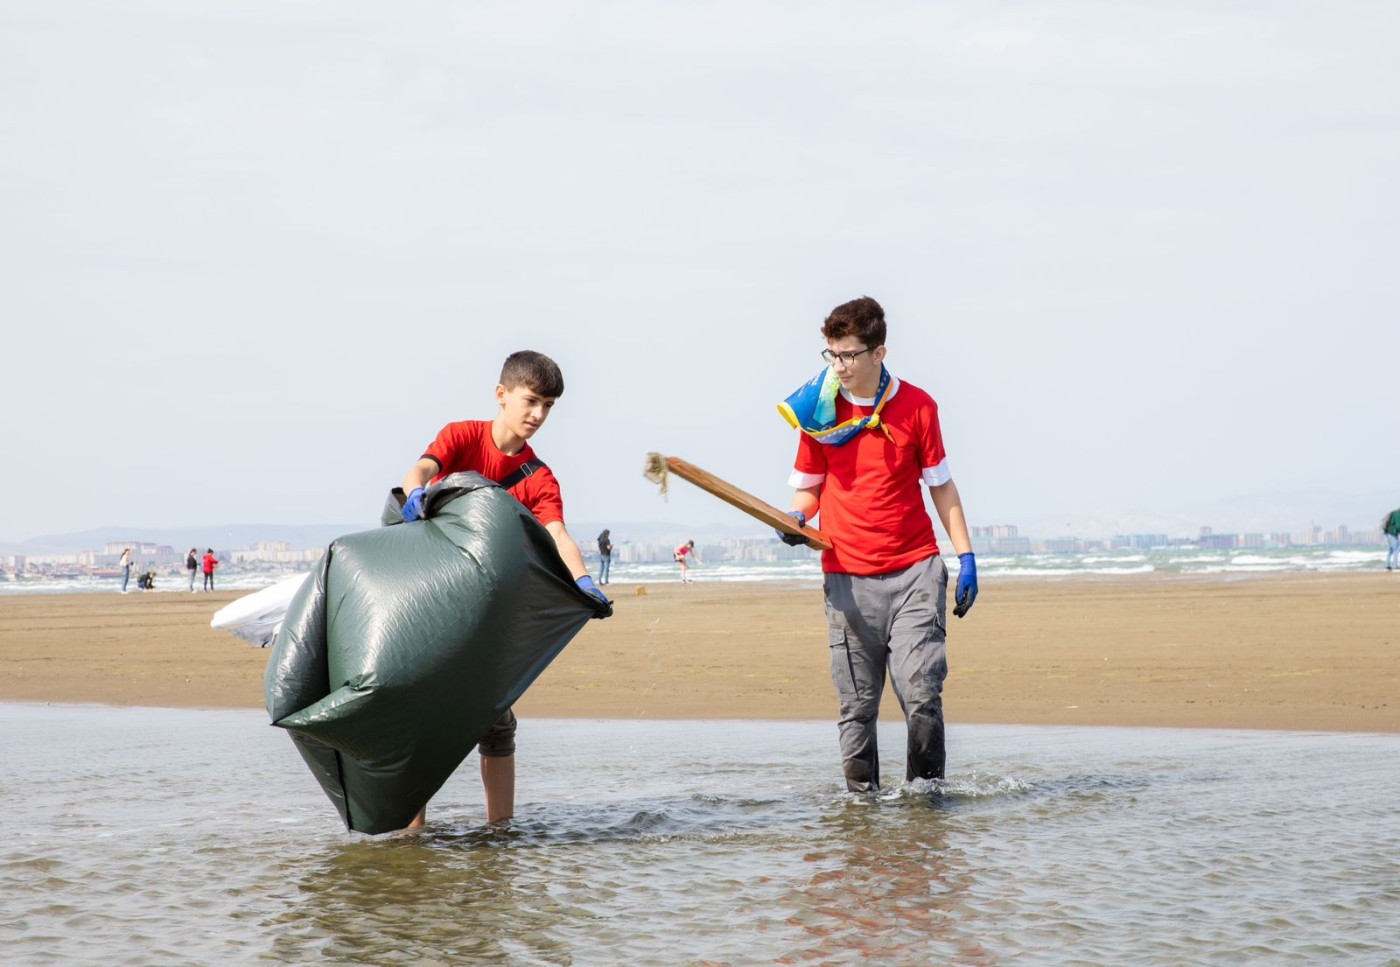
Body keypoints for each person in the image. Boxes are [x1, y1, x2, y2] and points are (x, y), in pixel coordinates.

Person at [399, 349, 611, 828]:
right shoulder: (463, 437)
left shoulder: (539, 477)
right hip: (431, 601)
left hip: (488, 613)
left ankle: (501, 833)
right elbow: (422, 470)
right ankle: (410, 838)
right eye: (531, 401)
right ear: (502, 395)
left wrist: (583, 581)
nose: (537, 415)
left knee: (495, 720)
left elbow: (556, 533)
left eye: (548, 407)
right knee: (419, 717)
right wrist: (414, 492)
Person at [778, 296, 979, 793]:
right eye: (832, 354)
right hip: (846, 577)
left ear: (878, 353)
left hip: (914, 571)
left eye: (848, 355)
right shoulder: (818, 411)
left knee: (922, 694)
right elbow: (809, 487)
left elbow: (941, 485)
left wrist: (966, 556)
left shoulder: (917, 406)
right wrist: (797, 517)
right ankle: (860, 810)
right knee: (857, 705)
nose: (839, 367)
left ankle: (925, 799)